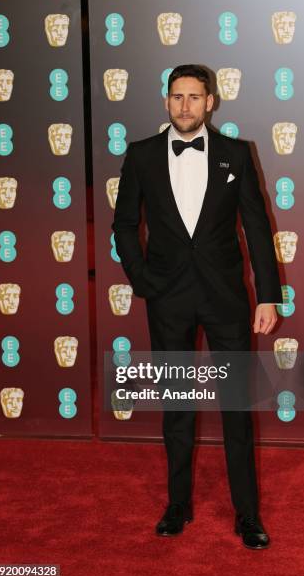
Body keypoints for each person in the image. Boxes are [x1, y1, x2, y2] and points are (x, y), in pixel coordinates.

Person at [113, 64, 282, 550]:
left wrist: (267, 294)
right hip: (168, 298)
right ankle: (178, 505)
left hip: (226, 298)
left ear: (211, 102)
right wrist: (143, 280)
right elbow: (124, 224)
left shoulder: (236, 153)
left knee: (236, 409)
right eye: (176, 96)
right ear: (166, 100)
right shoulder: (141, 154)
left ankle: (247, 515)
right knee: (177, 408)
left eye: (194, 97)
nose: (184, 105)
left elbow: (256, 226)